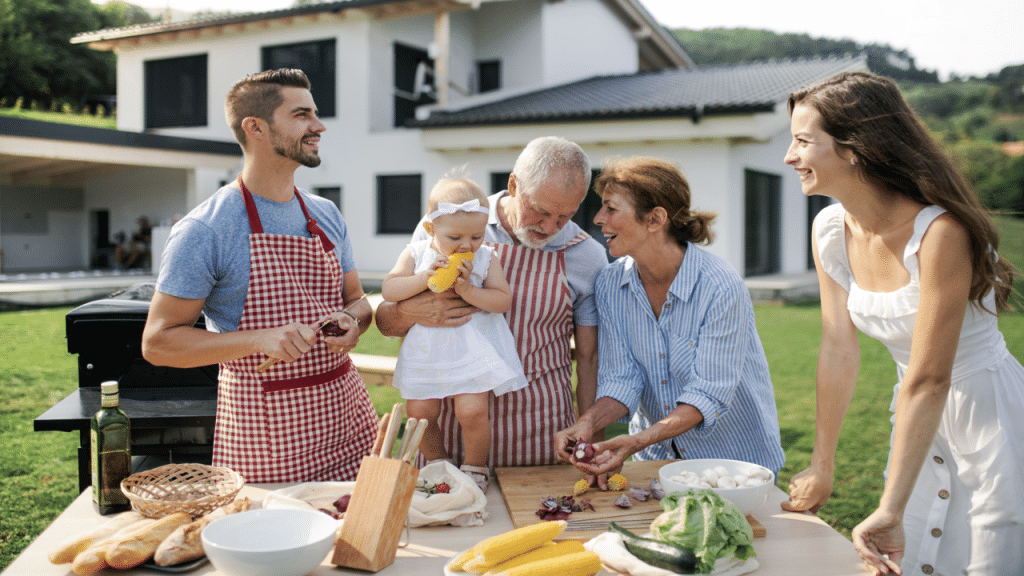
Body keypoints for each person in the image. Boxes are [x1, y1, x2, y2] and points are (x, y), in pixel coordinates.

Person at [781, 71, 1024, 576]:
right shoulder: (829, 229)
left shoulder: (940, 233)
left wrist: (889, 505)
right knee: (909, 560)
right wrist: (823, 465)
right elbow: (836, 347)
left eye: (803, 141)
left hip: (988, 420)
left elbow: (931, 376)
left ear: (853, 148)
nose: (790, 156)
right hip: (915, 422)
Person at [141, 69, 378, 483]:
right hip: (268, 433)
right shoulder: (207, 229)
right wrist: (258, 339)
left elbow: (357, 299)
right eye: (302, 115)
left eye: (315, 114)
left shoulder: (325, 213)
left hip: (348, 421)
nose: (318, 126)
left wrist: (353, 321)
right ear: (256, 127)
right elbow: (159, 343)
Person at [375, 136, 609, 468]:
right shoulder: (452, 222)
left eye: (564, 217)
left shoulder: (588, 257)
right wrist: (407, 311)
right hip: (452, 427)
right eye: (540, 211)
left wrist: (593, 439)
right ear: (514, 185)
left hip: (539, 433)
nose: (550, 228)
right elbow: (386, 322)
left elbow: (589, 359)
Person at [553, 157, 785, 487]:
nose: (598, 218)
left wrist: (634, 442)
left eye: (611, 208)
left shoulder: (720, 285)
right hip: (658, 466)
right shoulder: (610, 285)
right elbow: (622, 378)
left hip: (734, 468)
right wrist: (588, 423)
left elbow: (708, 393)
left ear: (655, 219)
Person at [381, 175, 528, 491]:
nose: (467, 245)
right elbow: (390, 289)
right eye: (456, 237)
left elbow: (502, 300)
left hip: (470, 347)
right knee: (420, 412)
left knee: (472, 410)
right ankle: (438, 464)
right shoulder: (417, 253)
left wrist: (467, 289)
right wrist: (425, 279)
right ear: (432, 230)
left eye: (476, 236)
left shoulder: (487, 257)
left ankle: (476, 467)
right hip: (427, 348)